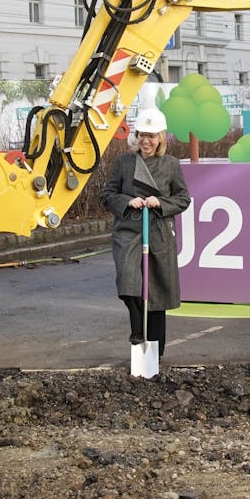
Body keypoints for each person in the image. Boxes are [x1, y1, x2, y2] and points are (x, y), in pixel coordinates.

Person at [101, 108, 191, 357]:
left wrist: (160, 203)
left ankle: (154, 351)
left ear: (161, 137)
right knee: (129, 284)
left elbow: (183, 199)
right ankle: (138, 332)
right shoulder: (124, 163)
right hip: (128, 232)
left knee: (156, 292)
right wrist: (127, 201)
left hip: (158, 232)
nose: (146, 141)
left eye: (151, 136)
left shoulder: (171, 165)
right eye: (142, 135)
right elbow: (107, 195)